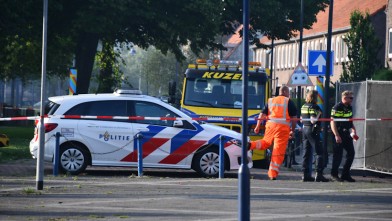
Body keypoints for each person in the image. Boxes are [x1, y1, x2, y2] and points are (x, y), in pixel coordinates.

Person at [248, 86, 297, 180]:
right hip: (282, 129)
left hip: (270, 126)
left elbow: (262, 113)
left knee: (265, 142)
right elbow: (294, 118)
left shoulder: (271, 100)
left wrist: (257, 126)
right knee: (278, 150)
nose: (289, 95)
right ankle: (272, 174)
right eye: (288, 93)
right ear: (285, 92)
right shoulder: (288, 101)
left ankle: (251, 145)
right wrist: (292, 131)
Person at [300, 90, 329, 182]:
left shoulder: (304, 106)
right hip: (313, 130)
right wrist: (319, 114)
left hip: (305, 130)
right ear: (315, 97)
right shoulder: (314, 107)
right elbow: (313, 120)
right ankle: (319, 174)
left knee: (306, 153)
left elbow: (301, 120)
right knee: (320, 152)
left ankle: (305, 175)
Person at [330, 90, 357, 182]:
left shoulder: (349, 107)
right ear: (345, 98)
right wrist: (337, 135)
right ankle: (334, 175)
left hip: (347, 133)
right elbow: (333, 122)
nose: (352, 100)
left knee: (351, 153)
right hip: (339, 132)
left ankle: (345, 174)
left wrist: (353, 129)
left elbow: (349, 120)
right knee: (338, 154)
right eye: (351, 98)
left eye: (352, 98)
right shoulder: (337, 107)